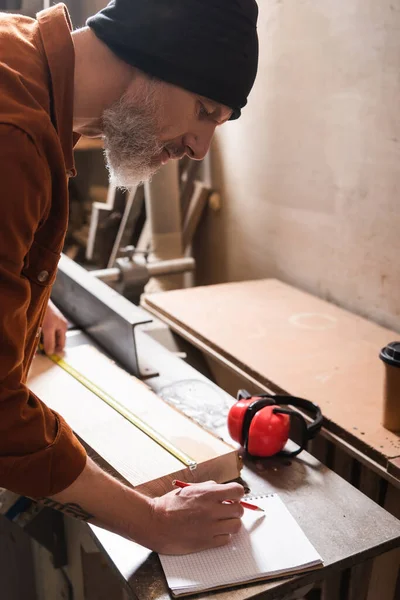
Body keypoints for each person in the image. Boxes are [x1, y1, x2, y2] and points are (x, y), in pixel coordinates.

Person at [0, 0, 258, 554]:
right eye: (205, 111)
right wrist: (152, 521)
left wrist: (24, 285)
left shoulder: (20, 59)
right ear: (155, 55)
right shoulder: (12, 136)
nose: (198, 147)